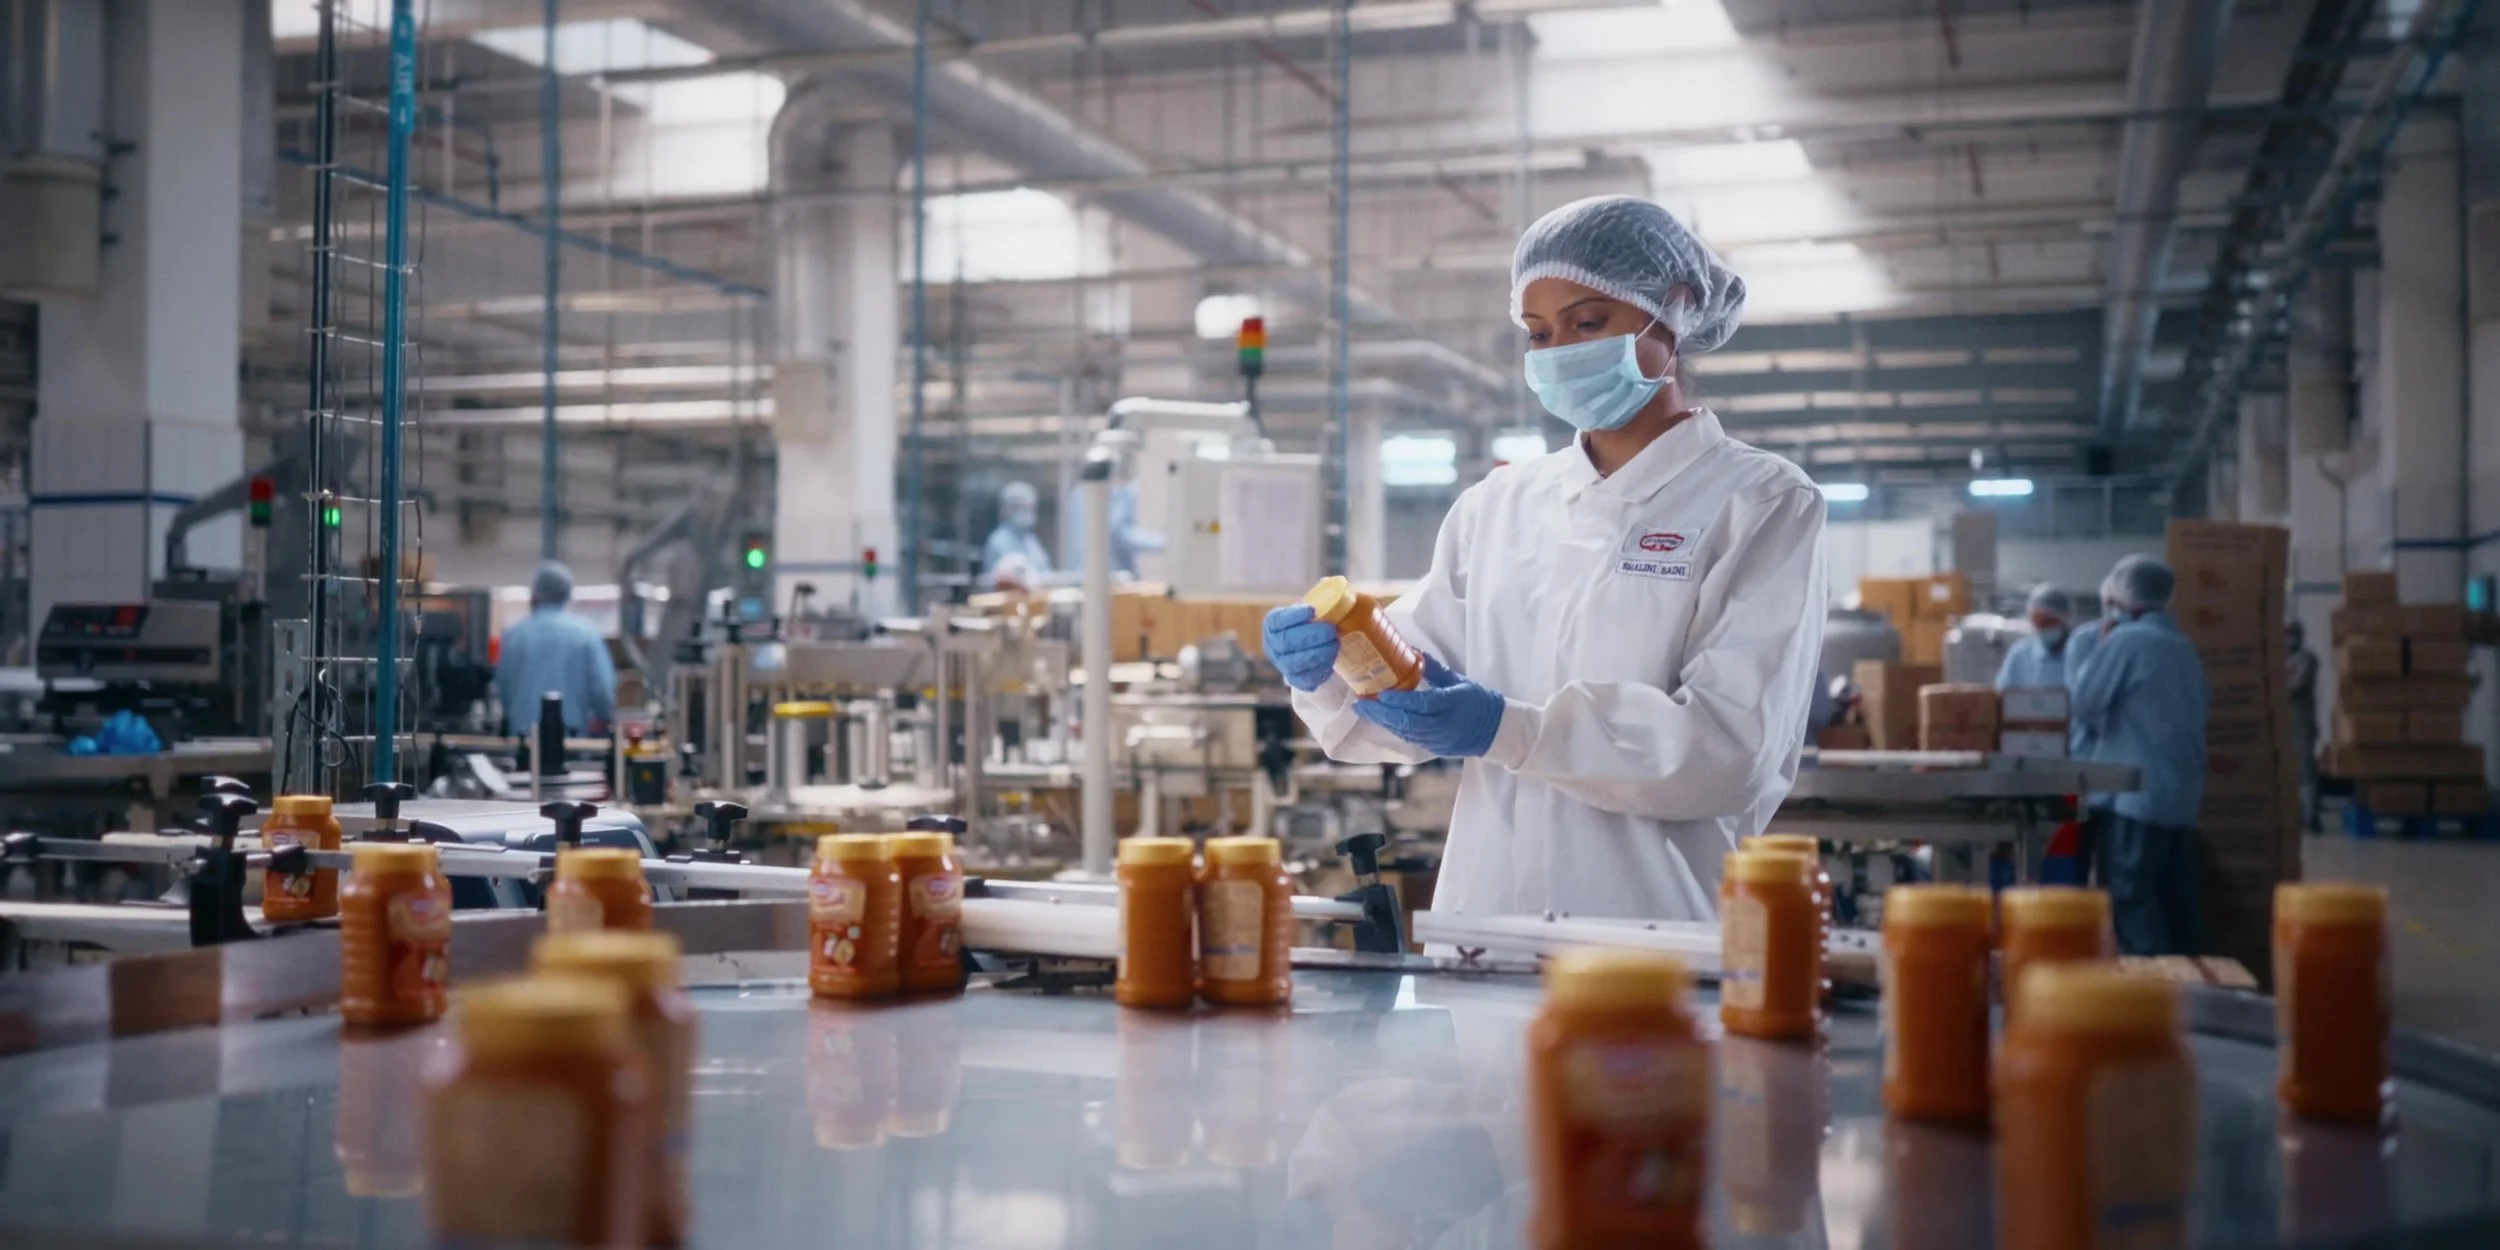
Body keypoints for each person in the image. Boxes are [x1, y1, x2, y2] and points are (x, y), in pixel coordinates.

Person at [1263, 196, 1827, 923]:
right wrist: (1329, 672)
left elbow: (1731, 750)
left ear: (1675, 310)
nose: (1560, 352)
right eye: (1538, 333)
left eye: (1588, 323)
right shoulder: (1498, 507)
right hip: (1485, 928)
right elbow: (1402, 701)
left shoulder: (1760, 502)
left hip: (1652, 935)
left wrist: (1511, 730)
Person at [2068, 555, 2208, 955]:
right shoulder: (2182, 646)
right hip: (2180, 794)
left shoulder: (2128, 641)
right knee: (2174, 899)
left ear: (2121, 595)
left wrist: (2099, 648)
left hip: (2139, 798)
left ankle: (2157, 990)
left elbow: (2085, 702)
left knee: (2131, 897)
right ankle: (2193, 988)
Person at [495, 560, 618, 737]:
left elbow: (503, 688)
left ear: (535, 592)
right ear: (567, 593)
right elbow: (603, 692)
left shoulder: (514, 635)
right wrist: (605, 719)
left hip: (523, 740)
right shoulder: (586, 634)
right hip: (571, 742)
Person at [1994, 584, 2074, 690]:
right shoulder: (2021, 653)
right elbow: (2003, 693)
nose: (2042, 628)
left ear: (2065, 621)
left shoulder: (2079, 652)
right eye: (2037, 621)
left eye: (2049, 622)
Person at [980, 481, 1055, 590]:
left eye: (1030, 507)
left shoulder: (1030, 540)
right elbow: (1002, 581)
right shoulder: (998, 541)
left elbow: (1044, 571)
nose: (1026, 512)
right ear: (1006, 510)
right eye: (1020, 507)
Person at [2287, 617, 2321, 831]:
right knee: (2291, 772)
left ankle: (2312, 816)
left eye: (2292, 634)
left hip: (2302, 720)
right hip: (2287, 719)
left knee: (2306, 769)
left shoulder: (2307, 658)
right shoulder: (2283, 658)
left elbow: (2297, 686)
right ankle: (2296, 814)